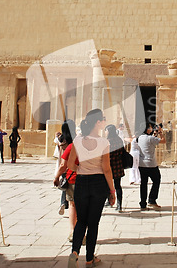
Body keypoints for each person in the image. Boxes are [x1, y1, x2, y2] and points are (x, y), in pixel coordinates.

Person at [67, 109, 115, 268]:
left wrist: (81, 169)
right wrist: (112, 191)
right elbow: (106, 169)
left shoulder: (77, 140)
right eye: (102, 120)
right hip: (99, 183)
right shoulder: (103, 142)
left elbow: (70, 165)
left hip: (81, 182)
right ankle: (89, 258)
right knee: (93, 223)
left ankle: (74, 252)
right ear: (97, 122)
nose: (104, 122)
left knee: (81, 220)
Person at [53, 120, 78, 242]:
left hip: (66, 169)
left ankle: (73, 231)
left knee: (72, 201)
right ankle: (81, 232)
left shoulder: (61, 139)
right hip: (78, 172)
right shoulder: (75, 140)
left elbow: (63, 163)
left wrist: (56, 176)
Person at [137, 122, 165, 211]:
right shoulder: (150, 138)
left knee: (143, 184)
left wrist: (154, 135)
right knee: (157, 180)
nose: (151, 128)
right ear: (147, 129)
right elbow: (163, 141)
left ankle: (143, 203)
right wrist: (160, 133)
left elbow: (151, 141)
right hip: (151, 164)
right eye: (150, 127)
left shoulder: (140, 138)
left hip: (141, 164)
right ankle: (152, 199)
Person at [105, 124, 125, 212]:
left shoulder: (108, 141)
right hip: (118, 165)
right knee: (118, 186)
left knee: (107, 185)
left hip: (109, 166)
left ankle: (109, 201)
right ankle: (119, 204)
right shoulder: (119, 140)